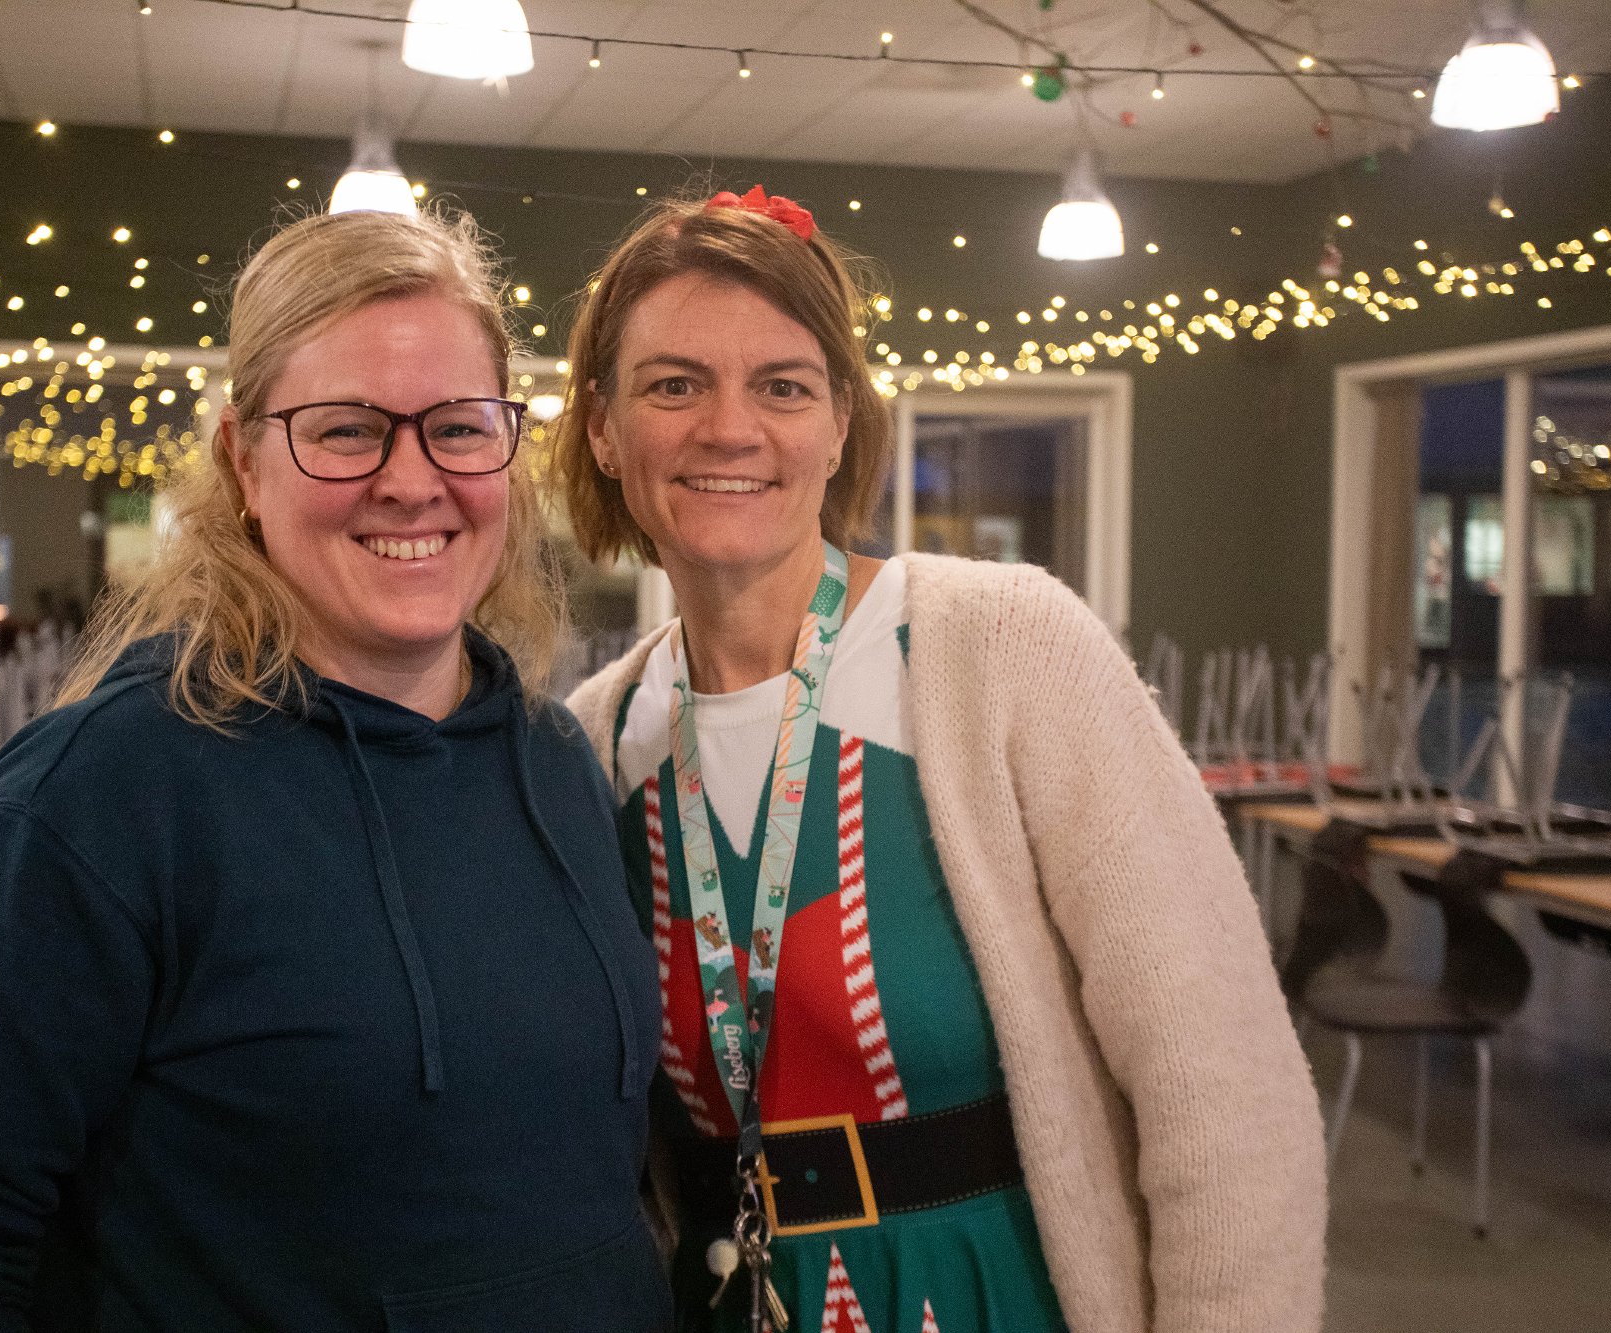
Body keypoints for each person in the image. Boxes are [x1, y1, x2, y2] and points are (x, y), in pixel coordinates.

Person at [0, 208, 672, 1332]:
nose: (412, 481)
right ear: (241, 463)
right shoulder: (105, 794)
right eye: (347, 430)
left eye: (458, 428)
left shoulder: (554, 761)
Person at [554, 187, 1326, 1333]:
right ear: (603, 430)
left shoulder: (1001, 647)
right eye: (673, 385)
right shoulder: (596, 735)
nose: (729, 427)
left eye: (783, 385)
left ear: (838, 424)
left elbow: (1224, 1094)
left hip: (986, 1292)